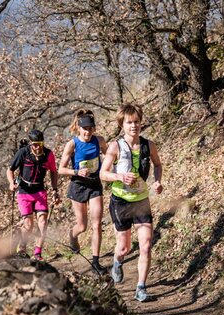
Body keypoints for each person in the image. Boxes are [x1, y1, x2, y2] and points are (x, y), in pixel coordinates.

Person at [99, 103, 163, 302]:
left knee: (145, 245)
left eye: (136, 122)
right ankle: (117, 263)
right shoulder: (115, 146)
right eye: (129, 122)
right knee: (124, 248)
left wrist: (158, 181)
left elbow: (158, 164)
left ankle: (141, 288)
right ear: (122, 125)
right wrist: (119, 177)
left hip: (141, 201)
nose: (133, 126)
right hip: (121, 202)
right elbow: (103, 173)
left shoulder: (148, 145)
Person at [58, 110, 108, 274]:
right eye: (84, 128)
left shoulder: (99, 141)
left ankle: (95, 262)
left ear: (94, 129)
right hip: (78, 185)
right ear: (78, 128)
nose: (87, 131)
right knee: (82, 226)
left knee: (97, 224)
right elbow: (61, 169)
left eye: (90, 128)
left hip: (94, 185)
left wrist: (111, 169)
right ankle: (73, 235)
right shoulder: (72, 144)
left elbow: (109, 156)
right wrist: (76, 172)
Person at [7, 129, 60, 261]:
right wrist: (11, 183)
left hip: (40, 191)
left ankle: (37, 253)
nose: (37, 147)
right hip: (24, 191)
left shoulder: (48, 154)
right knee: (29, 224)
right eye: (34, 144)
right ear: (30, 144)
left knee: (42, 223)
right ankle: (22, 248)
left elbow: (53, 172)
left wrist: (55, 190)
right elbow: (10, 169)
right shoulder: (23, 153)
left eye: (39, 144)